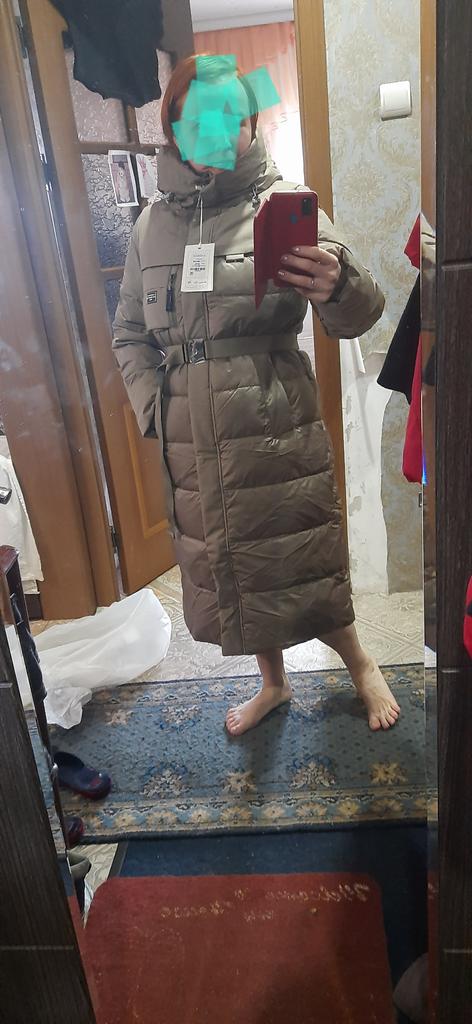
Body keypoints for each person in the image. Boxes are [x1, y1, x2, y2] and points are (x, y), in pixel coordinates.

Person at [113, 55, 401, 737]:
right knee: (233, 569)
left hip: (274, 421)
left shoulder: (285, 204)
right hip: (192, 436)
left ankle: (360, 663)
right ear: (174, 128)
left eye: (228, 115)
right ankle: (272, 682)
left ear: (249, 122)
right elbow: (129, 332)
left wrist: (338, 284)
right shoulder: (151, 226)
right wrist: (155, 407)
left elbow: (362, 311)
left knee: (300, 556)